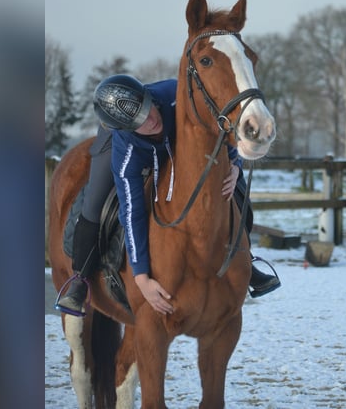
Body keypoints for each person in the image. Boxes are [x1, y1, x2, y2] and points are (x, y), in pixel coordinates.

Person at [55, 74, 280, 316]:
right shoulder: (125, 149)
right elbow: (133, 213)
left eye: (148, 109)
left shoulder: (178, 96)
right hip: (121, 145)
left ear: (149, 97)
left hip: (177, 135)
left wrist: (235, 164)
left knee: (231, 182)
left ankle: (246, 258)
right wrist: (141, 277)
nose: (151, 120)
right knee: (94, 203)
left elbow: (221, 126)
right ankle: (80, 277)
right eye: (140, 120)